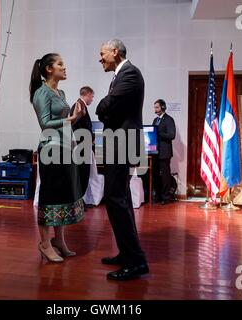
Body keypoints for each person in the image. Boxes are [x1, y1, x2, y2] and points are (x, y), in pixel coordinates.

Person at [95, 39, 149, 280]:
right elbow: (109, 108)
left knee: (116, 199)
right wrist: (106, 109)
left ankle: (136, 261)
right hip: (119, 143)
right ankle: (127, 254)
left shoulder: (129, 73)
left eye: (102, 54)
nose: (100, 59)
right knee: (120, 199)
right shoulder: (121, 75)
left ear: (115, 52)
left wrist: (103, 108)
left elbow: (106, 106)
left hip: (122, 144)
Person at [30, 53, 84, 263]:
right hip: (50, 149)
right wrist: (70, 119)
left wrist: (74, 118)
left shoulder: (59, 92)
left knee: (61, 196)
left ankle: (59, 241)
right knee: (49, 197)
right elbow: (44, 123)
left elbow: (62, 120)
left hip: (64, 148)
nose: (65, 67)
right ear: (49, 69)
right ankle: (44, 243)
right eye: (61, 64)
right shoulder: (41, 93)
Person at [70, 86, 95, 202]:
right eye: (92, 97)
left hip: (82, 146)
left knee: (83, 174)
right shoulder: (79, 106)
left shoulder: (81, 105)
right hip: (81, 147)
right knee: (82, 175)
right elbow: (78, 127)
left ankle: (79, 200)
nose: (92, 99)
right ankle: (78, 201)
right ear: (88, 94)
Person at [152, 99, 176, 205]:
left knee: (165, 176)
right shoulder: (155, 120)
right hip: (155, 152)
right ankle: (157, 196)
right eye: (154, 107)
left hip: (165, 153)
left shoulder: (169, 120)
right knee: (155, 175)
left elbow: (172, 135)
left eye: (157, 107)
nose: (155, 110)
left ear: (163, 107)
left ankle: (166, 197)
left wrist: (159, 133)